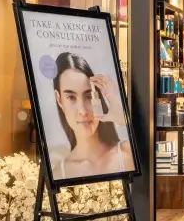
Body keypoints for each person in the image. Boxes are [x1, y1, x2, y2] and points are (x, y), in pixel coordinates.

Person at [51, 52, 132, 180]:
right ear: (59, 99)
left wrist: (122, 119)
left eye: (89, 96)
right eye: (71, 97)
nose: (83, 111)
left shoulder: (127, 153)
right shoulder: (59, 173)